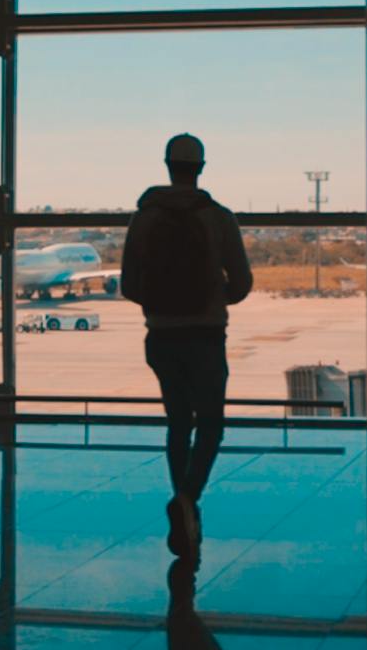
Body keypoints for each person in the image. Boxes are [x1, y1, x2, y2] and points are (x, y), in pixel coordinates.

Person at [121, 133, 253, 560]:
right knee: (211, 423)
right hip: (206, 335)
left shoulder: (143, 220)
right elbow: (243, 283)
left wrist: (163, 303)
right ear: (200, 168)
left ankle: (182, 496)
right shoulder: (219, 218)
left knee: (179, 423)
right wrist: (214, 297)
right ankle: (188, 499)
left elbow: (129, 285)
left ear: (166, 165)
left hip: (161, 335)